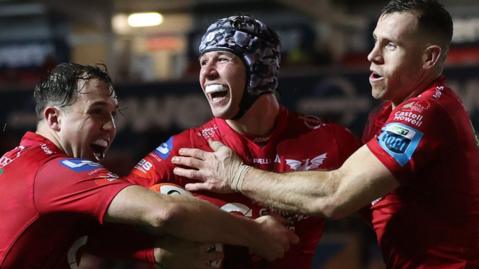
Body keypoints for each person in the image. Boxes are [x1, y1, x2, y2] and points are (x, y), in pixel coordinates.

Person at [172, 1, 479, 268]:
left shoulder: (427, 112)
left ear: (429, 58)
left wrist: (237, 175)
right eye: (375, 41)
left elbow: (336, 195)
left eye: (391, 45)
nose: (372, 55)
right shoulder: (387, 114)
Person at [0, 63, 297, 269]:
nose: (110, 127)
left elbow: (89, 237)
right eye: (98, 112)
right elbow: (167, 212)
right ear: (54, 119)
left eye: (114, 114)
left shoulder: (19, 163)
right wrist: (257, 235)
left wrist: (155, 254)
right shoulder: (54, 171)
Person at [127, 15, 360, 269]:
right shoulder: (187, 149)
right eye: (203, 61)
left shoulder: (330, 141)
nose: (206, 72)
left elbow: (389, 209)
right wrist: (154, 254)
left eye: (222, 58)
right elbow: (108, 216)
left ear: (259, 69)